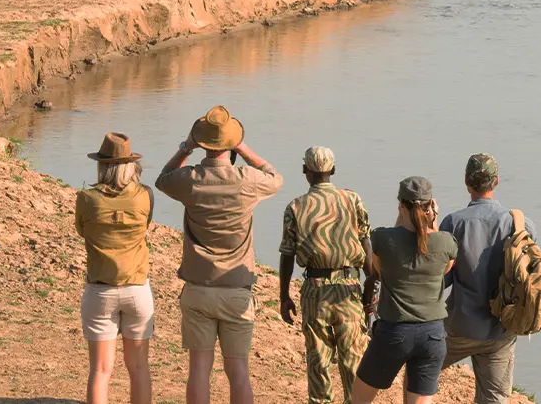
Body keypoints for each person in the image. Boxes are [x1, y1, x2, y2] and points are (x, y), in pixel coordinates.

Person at [155, 106, 283, 404]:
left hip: (198, 288)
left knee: (199, 368)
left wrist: (186, 147)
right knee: (238, 370)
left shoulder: (190, 179)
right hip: (236, 290)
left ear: (203, 143)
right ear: (230, 144)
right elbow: (275, 177)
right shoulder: (246, 180)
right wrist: (243, 146)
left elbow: (163, 178)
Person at [278, 147, 374, 404]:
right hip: (349, 288)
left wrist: (284, 296)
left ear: (305, 171)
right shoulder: (352, 200)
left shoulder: (295, 207)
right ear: (332, 170)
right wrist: (371, 287)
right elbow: (367, 245)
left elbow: (287, 254)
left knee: (318, 363)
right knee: (353, 362)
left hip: (315, 289)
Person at [438, 154, 536, 404]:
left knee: (421, 373)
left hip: (459, 328)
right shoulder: (519, 224)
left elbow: (442, 280)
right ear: (497, 181)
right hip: (501, 330)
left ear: (466, 182)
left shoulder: (453, 223)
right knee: (494, 398)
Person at [350, 177, 458, 404]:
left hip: (394, 333)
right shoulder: (446, 243)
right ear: (431, 206)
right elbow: (444, 270)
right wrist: (432, 222)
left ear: (401, 204)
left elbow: (377, 269)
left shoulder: (382, 239)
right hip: (432, 335)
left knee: (358, 400)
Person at [76, 132, 155, 404]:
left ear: (102, 165)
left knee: (100, 370)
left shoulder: (86, 198)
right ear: (130, 166)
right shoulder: (144, 196)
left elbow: (81, 230)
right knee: (139, 368)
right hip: (137, 289)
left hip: (100, 290)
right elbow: (145, 226)